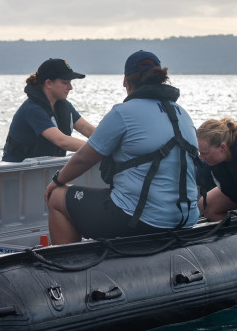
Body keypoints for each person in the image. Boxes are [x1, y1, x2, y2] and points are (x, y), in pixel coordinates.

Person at [46, 50, 200, 245]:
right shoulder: (182, 113)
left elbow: (84, 158)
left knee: (57, 197)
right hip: (186, 218)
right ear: (161, 79)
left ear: (126, 81)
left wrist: (57, 181)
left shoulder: (124, 112)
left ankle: (68, 264)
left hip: (139, 219)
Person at [2, 58, 95, 162]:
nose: (70, 87)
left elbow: (88, 130)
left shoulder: (65, 106)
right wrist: (98, 149)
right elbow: (62, 141)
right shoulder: (32, 109)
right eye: (65, 82)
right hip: (17, 172)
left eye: (70, 82)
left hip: (45, 169)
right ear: (49, 83)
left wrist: (112, 143)